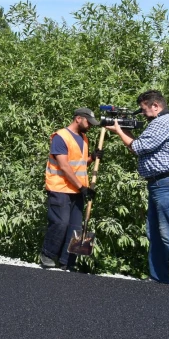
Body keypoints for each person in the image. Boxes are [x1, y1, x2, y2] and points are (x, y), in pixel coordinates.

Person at [105, 90, 169, 284]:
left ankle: (159, 277)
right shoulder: (160, 123)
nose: (142, 114)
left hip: (165, 184)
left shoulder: (163, 122)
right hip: (157, 184)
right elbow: (139, 144)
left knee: (168, 234)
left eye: (143, 110)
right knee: (155, 235)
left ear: (156, 106)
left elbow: (138, 148)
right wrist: (124, 130)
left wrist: (118, 131)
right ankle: (159, 278)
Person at [40, 108, 101, 270]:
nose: (90, 126)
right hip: (60, 188)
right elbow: (65, 166)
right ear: (78, 119)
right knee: (60, 223)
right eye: (88, 122)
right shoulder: (61, 137)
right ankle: (47, 254)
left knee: (75, 228)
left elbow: (79, 164)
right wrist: (82, 187)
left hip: (77, 190)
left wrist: (92, 158)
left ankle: (68, 262)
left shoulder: (84, 138)